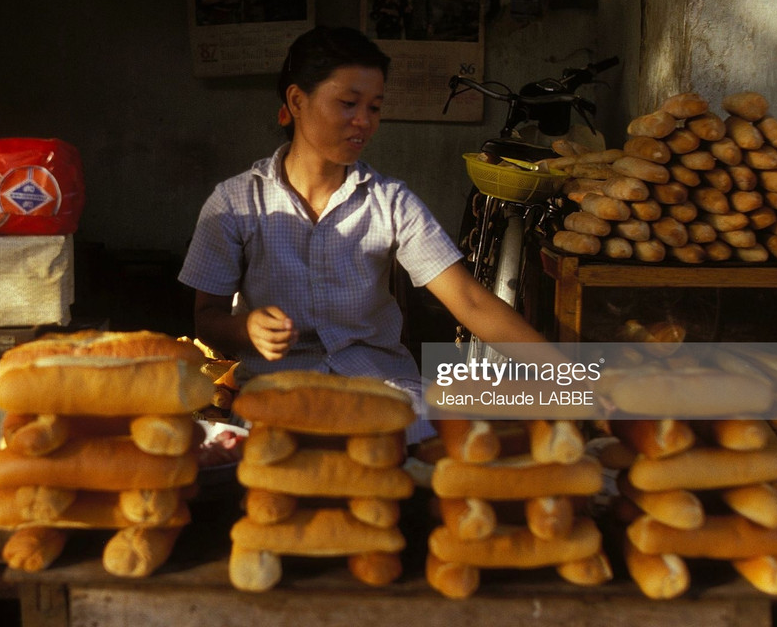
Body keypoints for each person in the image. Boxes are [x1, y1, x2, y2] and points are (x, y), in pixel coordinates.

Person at [178, 26, 553, 442]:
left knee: (446, 450)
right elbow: (207, 320)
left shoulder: (391, 202)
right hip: (278, 396)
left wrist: (568, 376)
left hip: (386, 390)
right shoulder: (234, 203)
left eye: (374, 107)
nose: (364, 121)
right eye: (348, 103)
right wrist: (246, 329)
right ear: (297, 101)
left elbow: (469, 301)